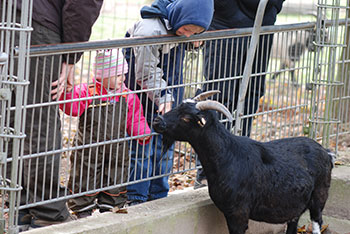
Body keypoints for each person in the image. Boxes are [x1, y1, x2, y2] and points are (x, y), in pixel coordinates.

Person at [1, 0, 103, 230]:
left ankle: (22, 205)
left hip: (8, 20)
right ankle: (47, 210)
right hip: (38, 26)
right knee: (39, 119)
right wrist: (70, 54)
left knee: (12, 114)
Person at [124, 0, 214, 205]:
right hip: (142, 97)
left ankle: (158, 195)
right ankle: (137, 196)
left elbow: (184, 40)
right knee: (142, 147)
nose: (188, 34)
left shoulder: (178, 27)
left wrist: (194, 42)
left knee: (165, 145)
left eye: (196, 32)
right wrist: (164, 97)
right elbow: (145, 72)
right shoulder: (150, 30)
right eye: (188, 29)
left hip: (168, 97)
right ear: (180, 15)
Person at [195, 0, 286, 188]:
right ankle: (208, 171)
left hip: (262, 23)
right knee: (220, 96)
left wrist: (272, 8)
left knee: (252, 93)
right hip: (225, 24)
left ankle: (238, 164)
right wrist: (227, 10)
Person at [58, 49, 151, 218]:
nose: (122, 79)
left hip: (117, 147)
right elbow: (72, 108)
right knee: (85, 175)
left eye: (123, 74)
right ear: (102, 75)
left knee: (115, 175)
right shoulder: (87, 91)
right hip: (89, 147)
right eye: (117, 75)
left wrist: (142, 132)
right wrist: (68, 93)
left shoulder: (127, 96)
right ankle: (82, 208)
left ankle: (111, 205)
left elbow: (135, 117)